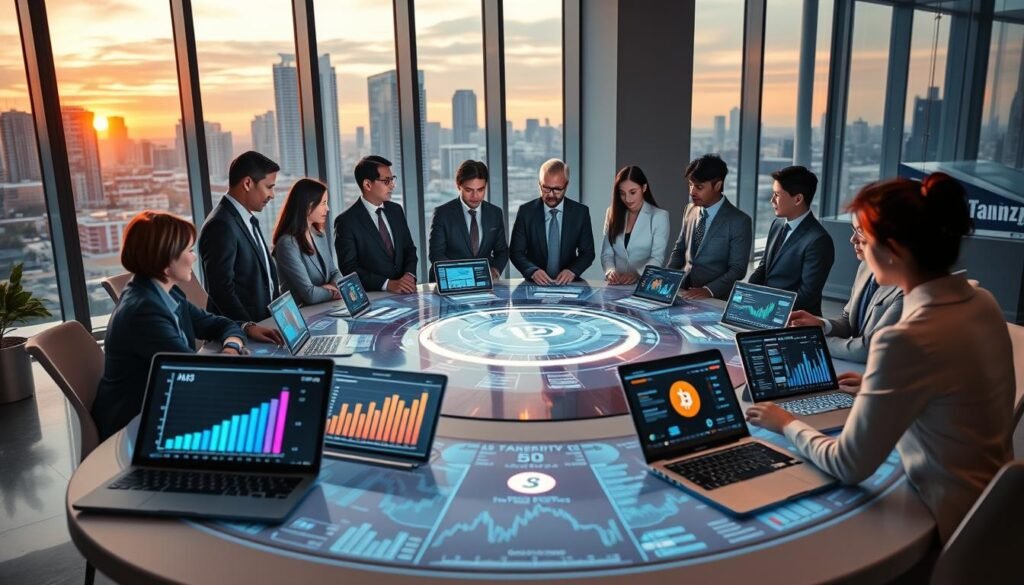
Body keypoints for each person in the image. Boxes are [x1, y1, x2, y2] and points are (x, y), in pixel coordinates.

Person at [746, 173, 1014, 544]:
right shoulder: (983, 302)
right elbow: (946, 395)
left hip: (947, 526)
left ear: (893, 250)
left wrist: (786, 422)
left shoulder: (906, 340)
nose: (859, 246)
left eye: (865, 238)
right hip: (998, 513)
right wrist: (878, 388)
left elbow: (848, 465)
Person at [93, 212, 283, 441]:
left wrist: (237, 339)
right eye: (189, 250)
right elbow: (195, 374)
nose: (194, 258)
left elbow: (217, 323)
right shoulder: (144, 312)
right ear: (165, 262)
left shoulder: (166, 291)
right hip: (139, 426)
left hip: (171, 404)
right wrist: (232, 358)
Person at [789, 213, 903, 363]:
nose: (852, 239)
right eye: (853, 230)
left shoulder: (907, 289)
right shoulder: (865, 267)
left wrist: (816, 340)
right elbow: (848, 321)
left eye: (861, 231)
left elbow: (868, 349)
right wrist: (821, 325)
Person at [198, 151, 281, 322]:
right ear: (248, 183)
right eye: (269, 187)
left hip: (264, 325)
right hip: (243, 333)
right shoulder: (220, 225)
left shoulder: (246, 218)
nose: (272, 195)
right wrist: (248, 327)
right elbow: (220, 289)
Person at [748, 165, 834, 315]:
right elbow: (763, 267)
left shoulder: (818, 240)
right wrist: (747, 295)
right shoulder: (777, 224)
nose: (771, 200)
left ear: (798, 199)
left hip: (793, 319)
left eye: (777, 195)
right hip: (763, 312)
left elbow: (807, 295)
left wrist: (765, 305)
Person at [667, 154, 753, 299]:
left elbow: (737, 269)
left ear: (718, 185)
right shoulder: (690, 209)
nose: (692, 192)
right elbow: (680, 249)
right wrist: (667, 278)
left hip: (715, 298)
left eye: (699, 187)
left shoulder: (739, 221)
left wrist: (708, 290)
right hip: (683, 290)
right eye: (690, 185)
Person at [334, 155, 418, 293]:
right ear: (367, 184)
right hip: (374, 296)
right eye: (386, 181)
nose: (392, 185)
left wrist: (409, 275)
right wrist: (387, 284)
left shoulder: (396, 210)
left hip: (406, 293)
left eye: (392, 179)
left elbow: (409, 248)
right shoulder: (346, 222)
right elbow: (349, 268)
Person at [510, 158, 595, 284]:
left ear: (566, 185)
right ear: (539, 184)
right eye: (546, 188)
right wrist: (533, 271)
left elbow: (587, 253)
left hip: (568, 283)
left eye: (557, 189)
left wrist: (572, 271)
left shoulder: (580, 213)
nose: (551, 195)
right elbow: (516, 252)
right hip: (534, 283)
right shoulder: (526, 212)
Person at [428, 160, 508, 280]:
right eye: (469, 190)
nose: (475, 196)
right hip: (451, 280)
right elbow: (436, 255)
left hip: (483, 281)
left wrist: (495, 270)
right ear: (458, 185)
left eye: (480, 190)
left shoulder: (495, 213)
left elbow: (502, 251)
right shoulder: (442, 214)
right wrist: (466, 276)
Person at [271, 178, 343, 306]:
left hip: (325, 308)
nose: (327, 208)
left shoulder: (319, 235)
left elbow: (334, 273)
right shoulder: (287, 244)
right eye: (323, 203)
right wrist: (332, 292)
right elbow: (309, 294)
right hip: (303, 314)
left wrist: (331, 287)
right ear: (308, 206)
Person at [600, 165, 670, 284]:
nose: (627, 198)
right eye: (622, 193)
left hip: (643, 284)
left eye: (632, 192)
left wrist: (637, 274)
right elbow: (607, 253)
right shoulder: (611, 212)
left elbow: (657, 258)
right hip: (615, 285)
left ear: (644, 188)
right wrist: (610, 271)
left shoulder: (659, 216)